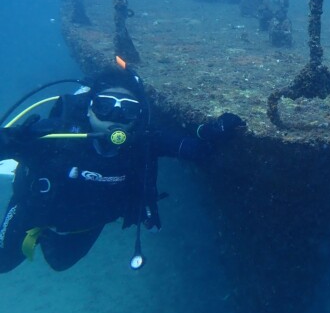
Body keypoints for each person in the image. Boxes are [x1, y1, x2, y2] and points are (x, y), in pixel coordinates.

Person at [0, 60, 245, 272]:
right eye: (105, 106)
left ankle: (49, 237)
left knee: (61, 264)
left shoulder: (144, 141)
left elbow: (197, 150)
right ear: (89, 108)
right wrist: (18, 140)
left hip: (84, 226)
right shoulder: (55, 136)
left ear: (138, 117)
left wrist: (215, 131)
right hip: (31, 213)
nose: (114, 118)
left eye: (127, 109)